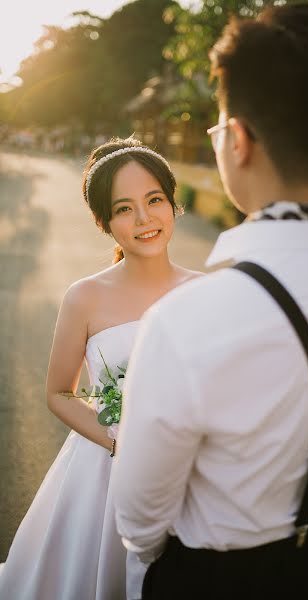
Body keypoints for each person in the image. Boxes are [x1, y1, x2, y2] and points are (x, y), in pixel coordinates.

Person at [112, 5, 308, 600]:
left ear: (237, 140)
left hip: (212, 578)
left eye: (217, 129)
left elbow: (140, 521)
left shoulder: (185, 318)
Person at [0, 137, 202, 600]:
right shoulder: (85, 297)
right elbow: (58, 393)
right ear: (104, 222)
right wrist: (120, 439)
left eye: (154, 201)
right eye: (124, 209)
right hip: (105, 471)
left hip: (190, 471)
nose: (145, 219)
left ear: (174, 203)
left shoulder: (208, 292)